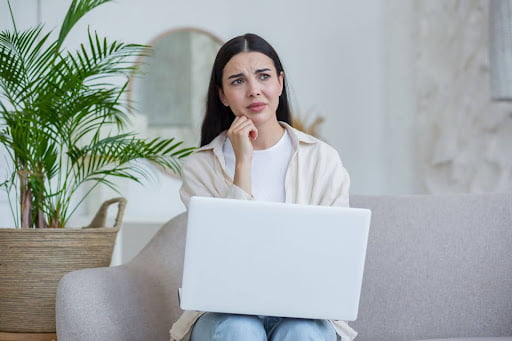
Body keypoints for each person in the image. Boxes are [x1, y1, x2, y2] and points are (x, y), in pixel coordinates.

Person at [169, 33, 355, 341]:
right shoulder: (200, 167)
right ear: (223, 95)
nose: (254, 90)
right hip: (224, 312)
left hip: (303, 309)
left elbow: (335, 255)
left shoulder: (322, 159)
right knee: (240, 327)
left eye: (264, 77)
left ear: (280, 83)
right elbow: (222, 253)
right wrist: (243, 163)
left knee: (303, 330)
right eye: (238, 81)